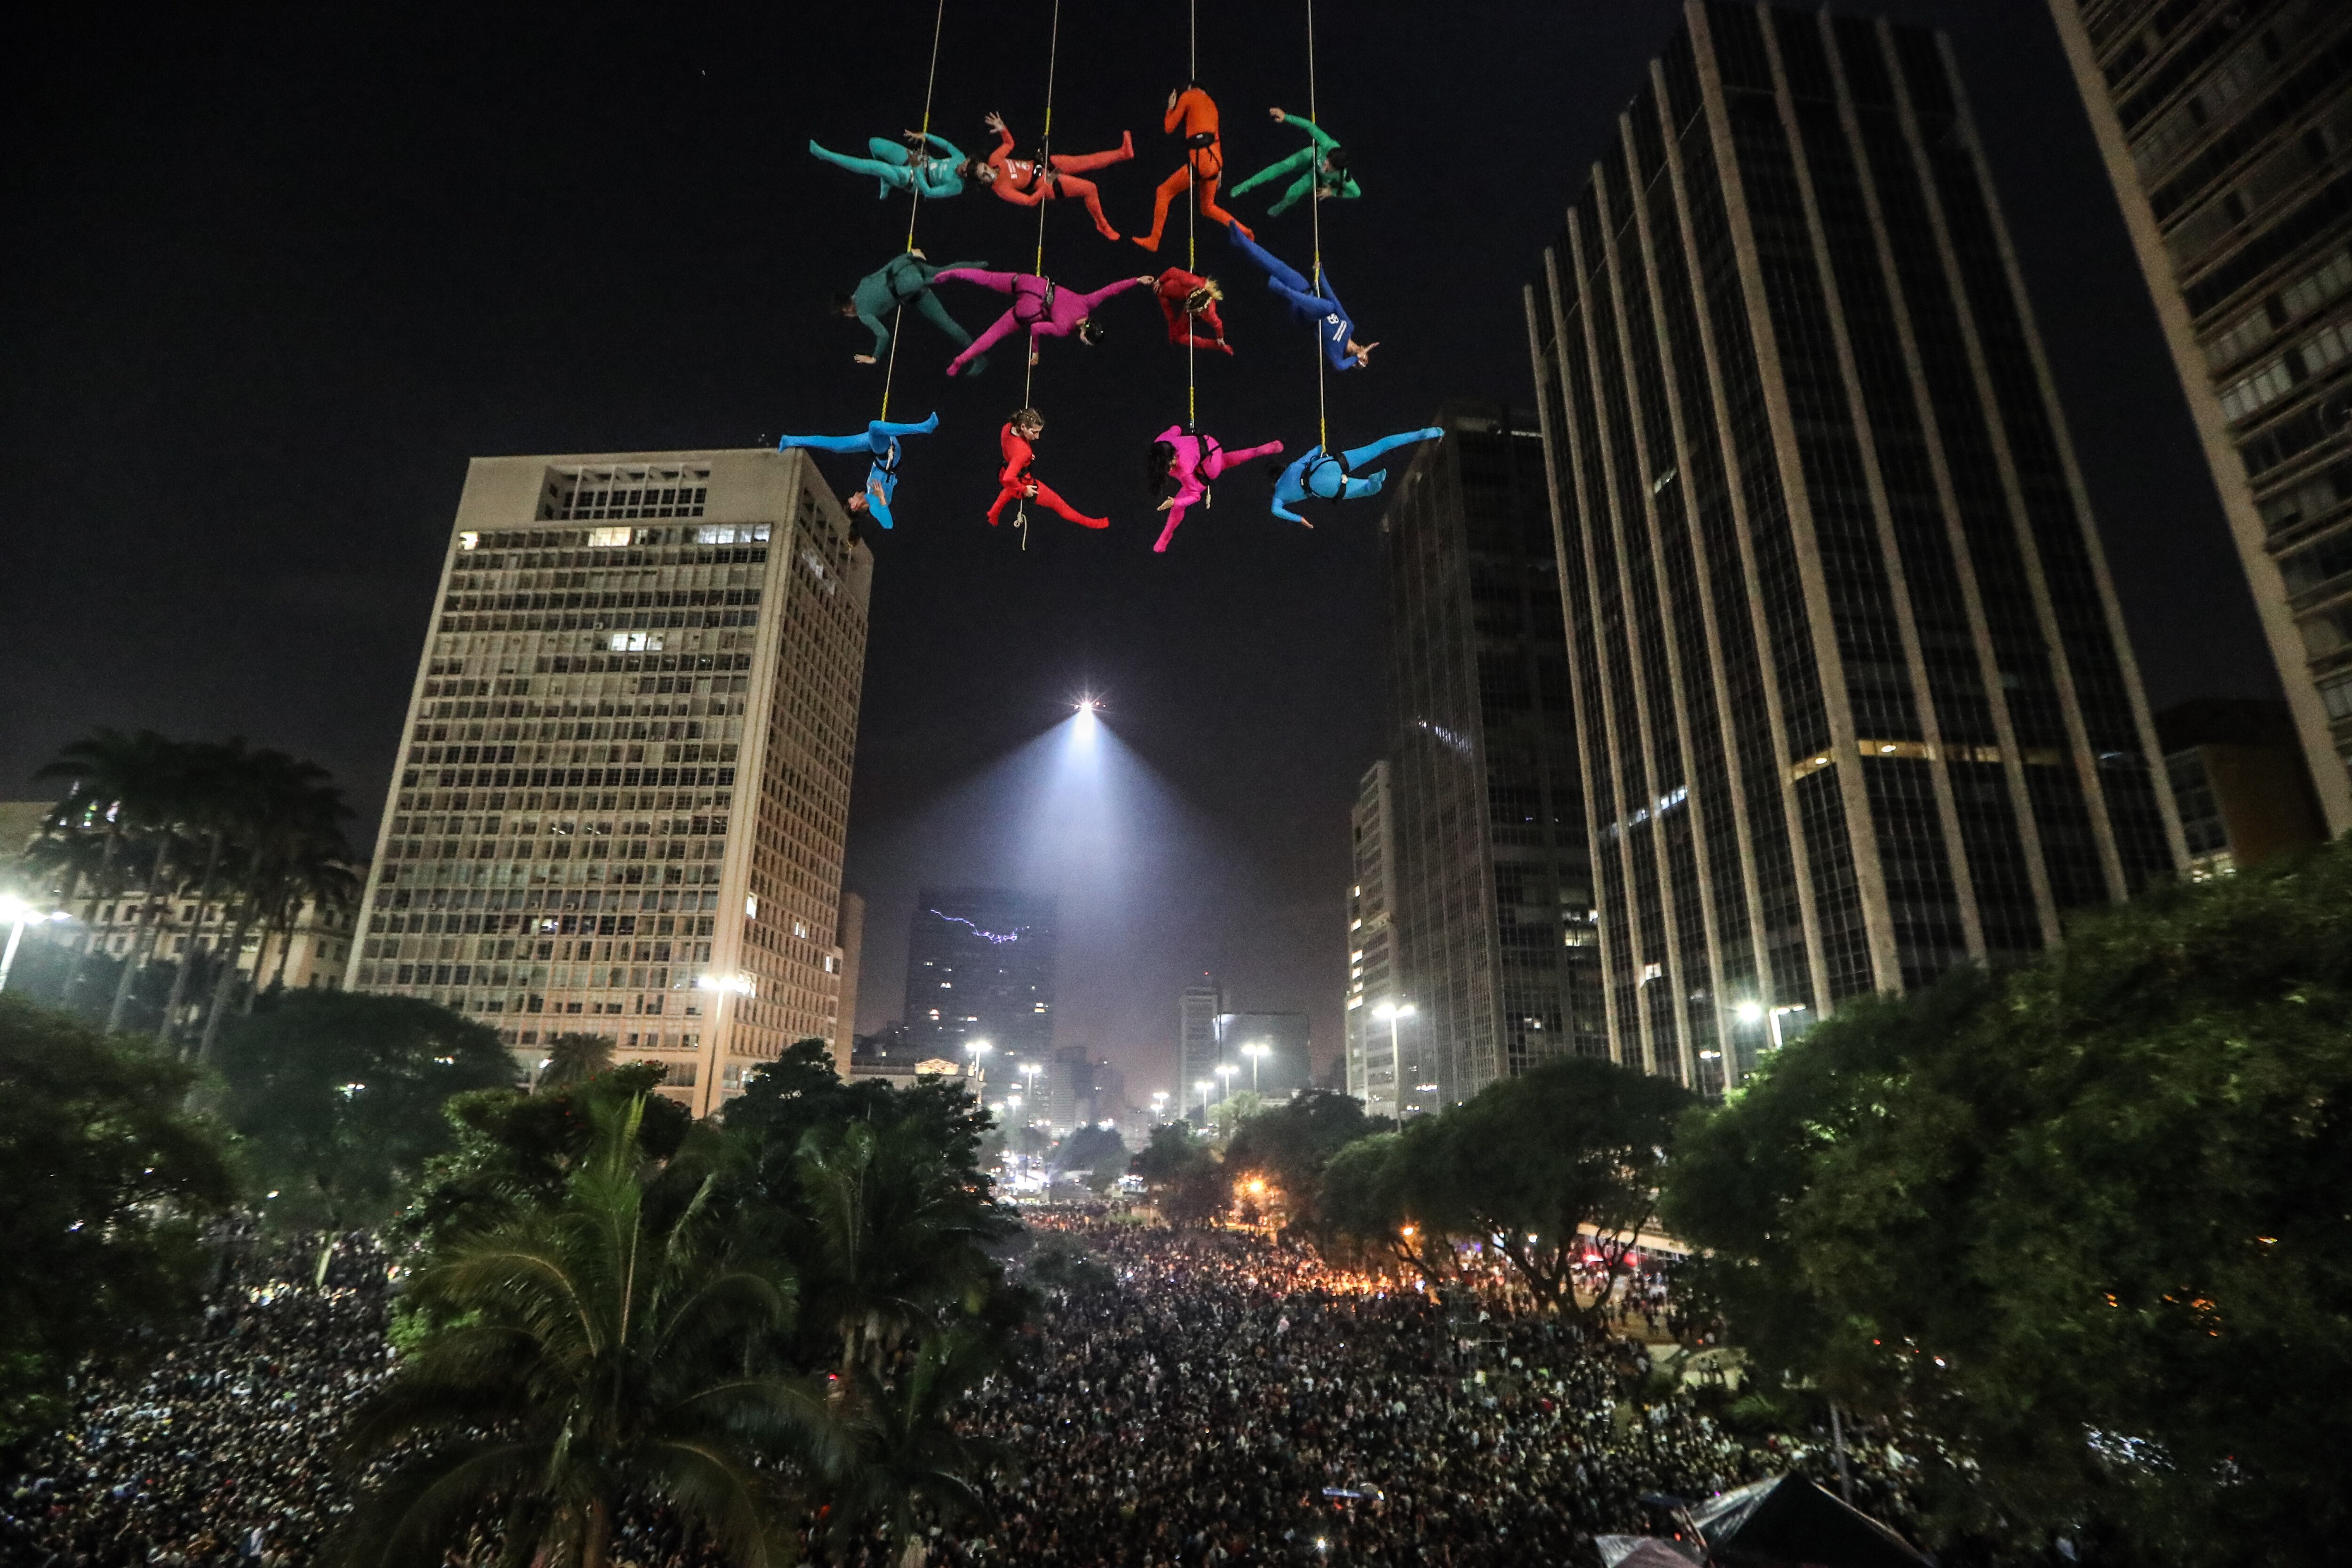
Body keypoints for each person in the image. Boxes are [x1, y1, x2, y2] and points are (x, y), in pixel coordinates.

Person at [932, 268, 1153, 376]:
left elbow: (1111, 290)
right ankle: (959, 361)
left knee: (987, 278)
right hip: (1031, 310)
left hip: (1034, 285)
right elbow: (1036, 328)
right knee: (993, 335)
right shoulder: (1064, 329)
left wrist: (1137, 281)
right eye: (1086, 342)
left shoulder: (1087, 303)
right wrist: (1036, 352)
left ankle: (950, 274)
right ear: (1085, 335)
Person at [1225, 226, 1378, 371]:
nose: (1362, 359)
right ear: (1364, 348)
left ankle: (1284, 290)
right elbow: (1334, 299)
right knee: (1277, 265)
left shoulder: (1336, 351)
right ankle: (1241, 242)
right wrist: (1321, 274)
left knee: (1328, 308)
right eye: (1365, 358)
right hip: (1306, 292)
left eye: (1360, 363)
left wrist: (1354, 358)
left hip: (1302, 315)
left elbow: (1339, 365)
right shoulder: (1349, 327)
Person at [967, 112, 1133, 241]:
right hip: (1046, 182)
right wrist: (1045, 187)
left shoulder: (995, 160)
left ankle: (1122, 153)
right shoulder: (1001, 189)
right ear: (983, 182)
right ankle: (1103, 225)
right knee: (1090, 188)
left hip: (1044, 165)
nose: (989, 173)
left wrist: (1003, 129)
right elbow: (1029, 201)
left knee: (1086, 161)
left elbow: (1009, 144)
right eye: (985, 176)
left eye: (985, 168)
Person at [1132, 83, 1254, 253]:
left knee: (1164, 192)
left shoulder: (1189, 96)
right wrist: (1219, 170)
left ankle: (1154, 240)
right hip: (1215, 161)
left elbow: (1169, 127)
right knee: (1208, 207)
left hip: (1202, 160)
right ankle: (1244, 231)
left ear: (1191, 88)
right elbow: (1217, 138)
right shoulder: (1212, 104)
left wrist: (1170, 108)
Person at [776, 414, 939, 530]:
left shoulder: (869, 492)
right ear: (855, 506)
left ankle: (790, 440)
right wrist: (882, 498)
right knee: (874, 426)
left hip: (879, 451)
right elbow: (888, 525)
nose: (852, 495)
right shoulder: (874, 504)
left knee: (837, 446)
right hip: (890, 453)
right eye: (850, 499)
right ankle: (924, 428)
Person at [834, 250, 990, 371]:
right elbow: (887, 268)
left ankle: (979, 358)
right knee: (946, 271)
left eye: (845, 314)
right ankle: (981, 266)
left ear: (846, 309)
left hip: (913, 289)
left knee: (948, 324)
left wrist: (874, 357)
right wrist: (910, 255)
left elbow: (883, 335)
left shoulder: (863, 314)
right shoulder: (863, 284)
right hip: (909, 268)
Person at [1146, 426, 1283, 552]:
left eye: (1171, 464)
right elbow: (1176, 428)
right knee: (1227, 460)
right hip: (1209, 443)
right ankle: (1260, 450)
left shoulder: (1184, 469)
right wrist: (1188, 442)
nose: (1171, 468)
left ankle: (1165, 537)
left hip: (1210, 464)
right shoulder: (1163, 440)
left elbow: (1195, 496)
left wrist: (1175, 502)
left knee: (1179, 506)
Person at [1269, 428, 1443, 524]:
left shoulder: (1278, 495)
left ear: (1273, 483)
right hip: (1326, 465)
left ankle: (1374, 480)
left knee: (1369, 490)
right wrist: (1321, 451)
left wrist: (1300, 519)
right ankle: (1427, 433)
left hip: (1325, 486)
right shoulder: (1292, 467)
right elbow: (1316, 450)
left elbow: (1276, 511)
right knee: (1381, 445)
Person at [1230, 107, 1361, 216]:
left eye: (1329, 166)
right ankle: (1247, 185)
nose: (1326, 164)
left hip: (1316, 177)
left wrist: (1331, 192)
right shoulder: (1328, 144)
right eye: (1327, 160)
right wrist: (1286, 117)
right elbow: (1310, 126)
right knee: (1284, 165)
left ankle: (1282, 205)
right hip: (1312, 156)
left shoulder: (1344, 177)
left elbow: (1356, 193)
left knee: (1293, 192)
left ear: (1338, 169)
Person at [990, 407, 1106, 530]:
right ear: (1023, 427)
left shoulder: (1007, 428)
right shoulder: (1023, 451)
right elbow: (1010, 478)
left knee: (1010, 491)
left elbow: (1012, 448)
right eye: (1034, 432)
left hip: (1005, 469)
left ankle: (993, 514)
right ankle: (1098, 524)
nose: (1037, 437)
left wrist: (1024, 457)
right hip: (1021, 481)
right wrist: (1025, 489)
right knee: (1060, 506)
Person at [809, 129, 967, 199]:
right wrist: (924, 136)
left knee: (875, 167)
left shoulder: (957, 187)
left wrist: (917, 169)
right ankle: (886, 181)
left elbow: (928, 192)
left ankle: (825, 155)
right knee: (875, 144)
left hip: (913, 179)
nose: (962, 168)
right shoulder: (960, 157)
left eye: (966, 172)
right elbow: (947, 146)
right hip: (917, 160)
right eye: (966, 165)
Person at [1152, 269, 1232, 353]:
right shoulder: (1191, 281)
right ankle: (1165, 292)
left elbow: (1218, 325)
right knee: (1161, 290)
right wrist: (1160, 281)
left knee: (1178, 336)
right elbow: (1173, 271)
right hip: (1186, 289)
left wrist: (1220, 338)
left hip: (1194, 300)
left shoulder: (1209, 313)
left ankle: (1220, 347)